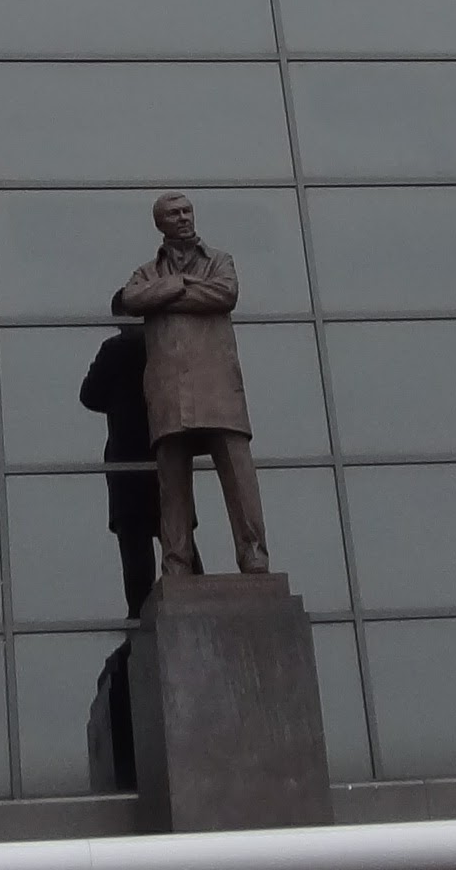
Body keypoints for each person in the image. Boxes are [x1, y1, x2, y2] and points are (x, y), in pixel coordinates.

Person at [112, 190, 268, 576]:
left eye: (187, 210)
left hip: (218, 386)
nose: (183, 217)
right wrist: (183, 284)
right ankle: (177, 562)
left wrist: (166, 294)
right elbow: (132, 299)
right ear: (160, 223)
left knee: (238, 475)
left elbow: (225, 293)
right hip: (170, 390)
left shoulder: (219, 261)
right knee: (173, 483)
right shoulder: (146, 271)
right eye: (174, 213)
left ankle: (254, 553)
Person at [78, 325, 161, 615]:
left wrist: (118, 399)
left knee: (136, 542)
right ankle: (197, 599)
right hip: (159, 449)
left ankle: (139, 615)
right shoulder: (159, 344)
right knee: (175, 535)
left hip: (129, 454)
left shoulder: (116, 349)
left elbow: (89, 394)